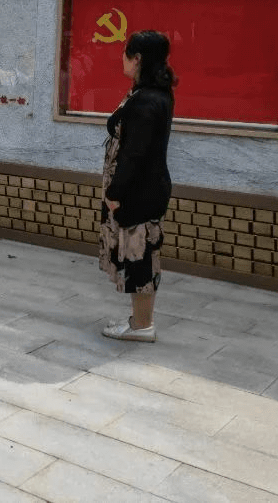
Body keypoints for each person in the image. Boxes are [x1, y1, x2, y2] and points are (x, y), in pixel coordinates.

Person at [99, 30, 176, 343]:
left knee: (140, 257)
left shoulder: (146, 100)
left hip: (138, 192)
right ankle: (139, 320)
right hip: (145, 188)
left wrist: (115, 193)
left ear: (138, 58)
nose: (122, 58)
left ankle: (142, 326)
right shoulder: (151, 93)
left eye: (126, 52)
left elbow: (134, 154)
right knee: (139, 255)